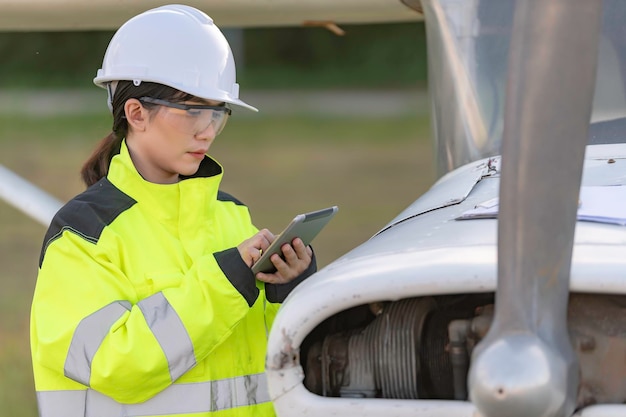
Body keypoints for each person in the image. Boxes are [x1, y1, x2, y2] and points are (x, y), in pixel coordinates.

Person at [29, 4, 316, 417]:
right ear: (136, 113)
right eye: (193, 111)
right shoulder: (82, 233)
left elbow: (268, 359)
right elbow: (115, 363)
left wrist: (291, 291)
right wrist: (224, 285)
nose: (208, 131)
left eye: (218, 113)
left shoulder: (232, 216)